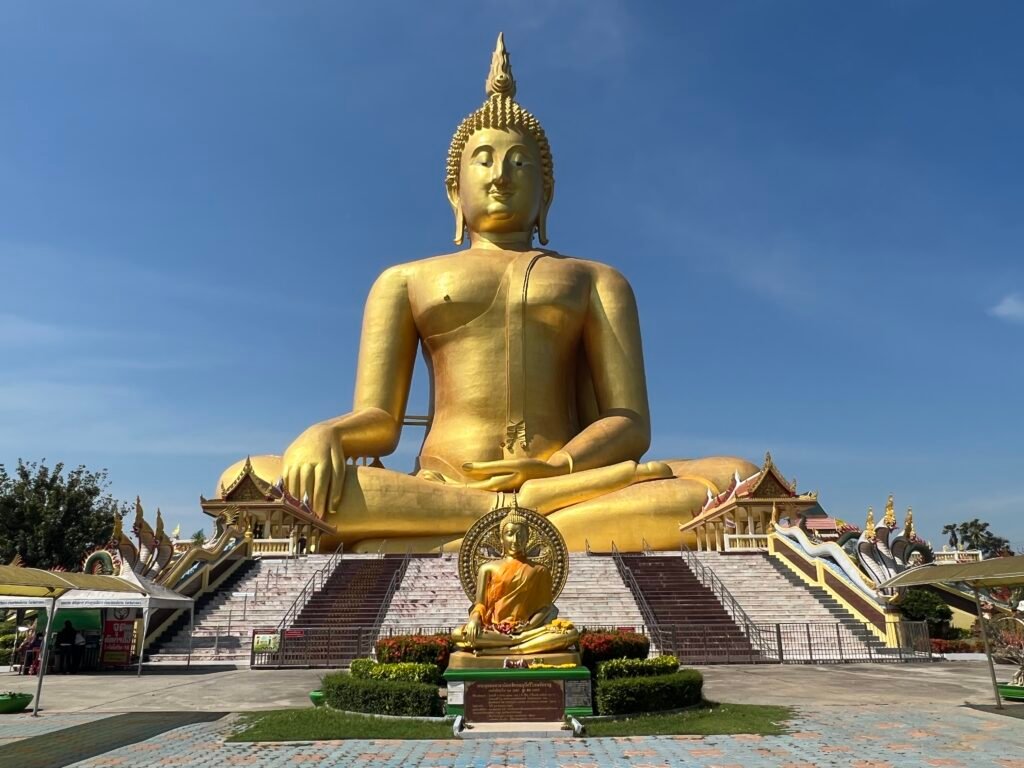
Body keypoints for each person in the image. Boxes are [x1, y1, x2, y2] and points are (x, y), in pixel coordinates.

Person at [217, 34, 756, 553]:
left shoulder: (597, 279)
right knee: (254, 477)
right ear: (455, 190)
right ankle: (512, 522)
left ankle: (449, 535)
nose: (501, 176)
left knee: (734, 477)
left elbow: (630, 424)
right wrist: (325, 434)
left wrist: (555, 468)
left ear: (547, 194)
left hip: (564, 482)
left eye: (521, 164)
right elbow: (380, 424)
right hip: (444, 487)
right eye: (484, 161)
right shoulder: (404, 279)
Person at [451, 507, 578, 655]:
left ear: (528, 538)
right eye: (510, 534)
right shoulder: (487, 568)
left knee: (569, 633)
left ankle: (513, 646)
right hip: (495, 629)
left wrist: (528, 627)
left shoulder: (540, 570)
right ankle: (518, 645)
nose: (515, 540)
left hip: (528, 630)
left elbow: (545, 608)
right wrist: (474, 620)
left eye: (520, 535)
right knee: (458, 634)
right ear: (501, 538)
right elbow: (480, 605)